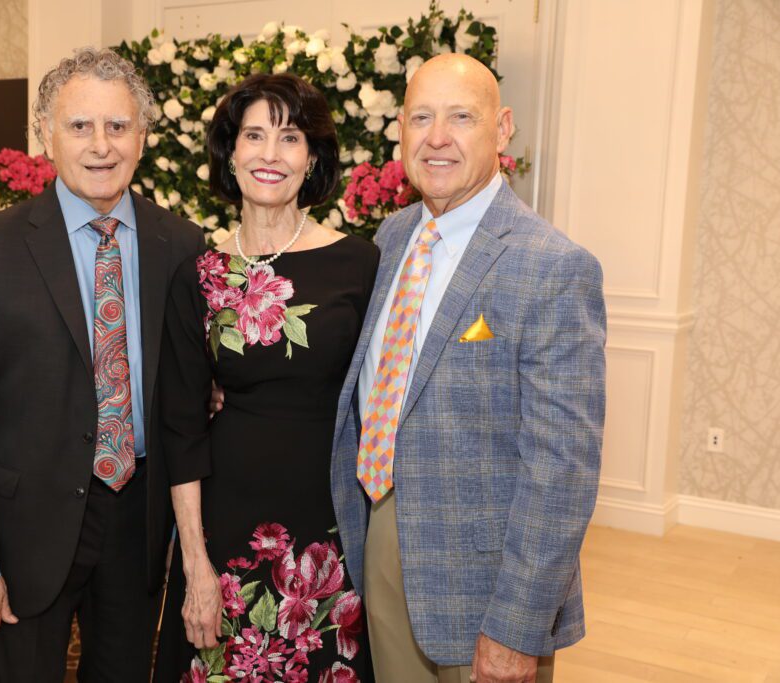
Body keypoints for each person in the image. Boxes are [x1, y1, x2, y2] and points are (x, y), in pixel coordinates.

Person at [0, 47, 205, 682]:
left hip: (137, 523)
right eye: (80, 126)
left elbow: (186, 389)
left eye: (118, 126)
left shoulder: (179, 244)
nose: (101, 145)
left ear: (143, 135)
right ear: (45, 135)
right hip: (23, 532)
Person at [330, 54, 606, 683]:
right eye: (421, 117)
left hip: (488, 582)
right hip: (384, 535)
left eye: (461, 117)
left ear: (502, 129)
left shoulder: (553, 267)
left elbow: (563, 472)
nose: (438, 137)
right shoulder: (391, 238)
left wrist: (517, 627)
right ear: (399, 130)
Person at [152, 73, 379, 682]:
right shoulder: (198, 274)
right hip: (226, 525)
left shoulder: (361, 264)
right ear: (231, 153)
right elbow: (180, 430)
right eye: (254, 135)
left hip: (332, 523)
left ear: (314, 159)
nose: (270, 154)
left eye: (291, 137)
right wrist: (196, 565)